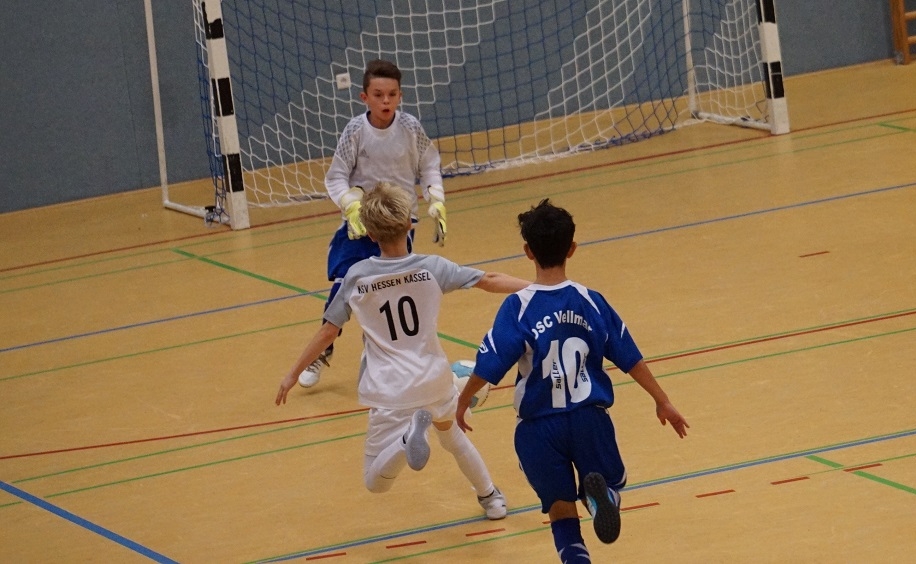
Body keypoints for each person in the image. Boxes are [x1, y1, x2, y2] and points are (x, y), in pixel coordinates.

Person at [276, 182, 529, 520]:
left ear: (369, 234)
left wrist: (292, 374)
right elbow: (489, 279)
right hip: (434, 380)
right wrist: (539, 288)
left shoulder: (356, 277)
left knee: (375, 482)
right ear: (410, 224)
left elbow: (328, 332)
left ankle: (406, 441)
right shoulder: (432, 267)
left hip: (390, 389)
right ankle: (491, 498)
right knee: (452, 436)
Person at [455, 199, 689, 563]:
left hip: (538, 427)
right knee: (610, 484)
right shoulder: (590, 301)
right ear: (572, 249)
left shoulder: (518, 306)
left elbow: (491, 364)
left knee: (561, 511)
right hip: (588, 419)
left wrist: (462, 400)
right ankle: (602, 498)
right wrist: (663, 400)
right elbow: (629, 356)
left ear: (528, 251)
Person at [299, 58, 448, 388]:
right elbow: (336, 177)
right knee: (345, 285)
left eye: (392, 95)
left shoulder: (411, 128)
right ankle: (323, 350)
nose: (385, 101)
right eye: (378, 95)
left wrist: (436, 199)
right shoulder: (355, 131)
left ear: (400, 96)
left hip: (399, 223)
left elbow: (429, 166)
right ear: (364, 97)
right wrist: (351, 206)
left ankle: (380, 355)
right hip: (361, 225)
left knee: (387, 291)